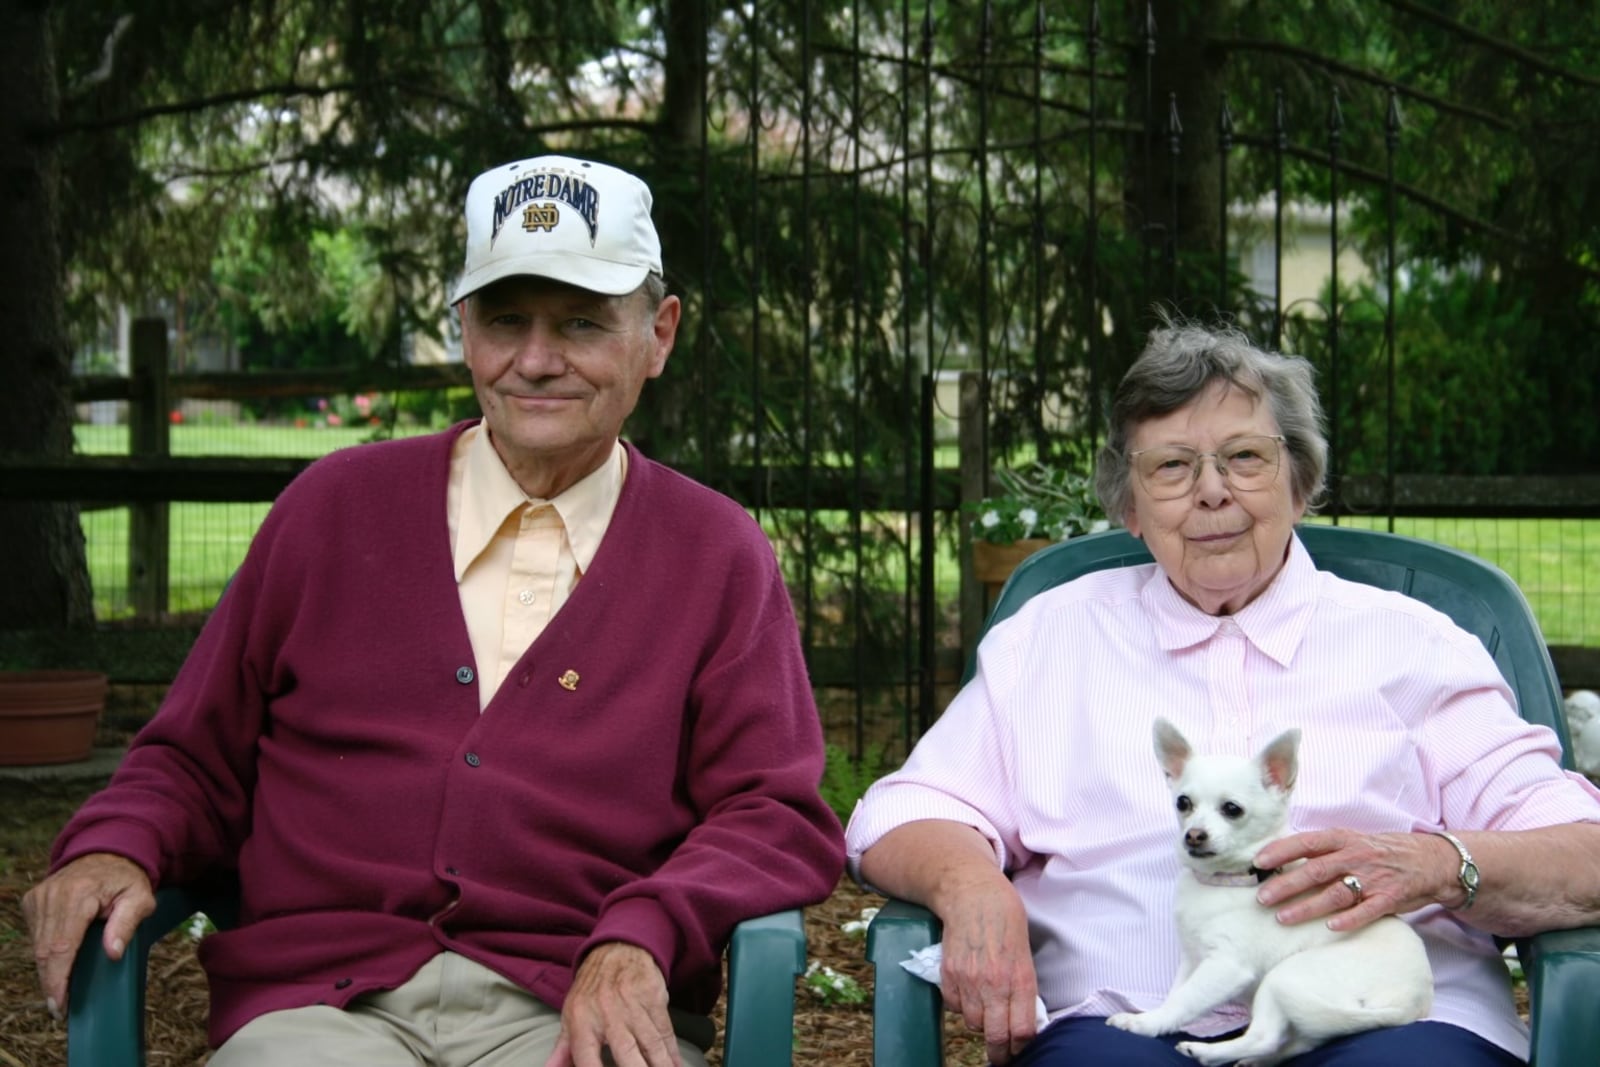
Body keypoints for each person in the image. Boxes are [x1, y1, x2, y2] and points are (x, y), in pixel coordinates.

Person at [24, 155, 845, 1067]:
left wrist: (643, 931)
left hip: (574, 1008)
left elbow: (773, 811)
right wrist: (115, 845)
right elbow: (190, 756)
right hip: (321, 1016)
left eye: (580, 321)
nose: (536, 359)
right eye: (504, 320)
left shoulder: (716, 554)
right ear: (462, 328)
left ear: (659, 334)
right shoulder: (333, 511)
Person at [845, 317, 1600, 1066]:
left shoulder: (1417, 645)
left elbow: (1583, 850)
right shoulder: (1051, 639)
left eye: (1245, 457)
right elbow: (907, 810)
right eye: (1172, 466)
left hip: (1383, 1024)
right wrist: (970, 883)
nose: (1212, 492)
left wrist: (1438, 862)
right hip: (1123, 1021)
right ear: (1131, 506)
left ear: (1301, 482)